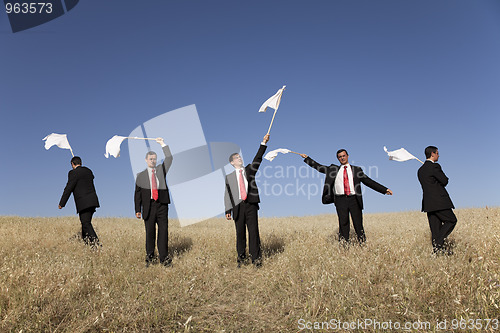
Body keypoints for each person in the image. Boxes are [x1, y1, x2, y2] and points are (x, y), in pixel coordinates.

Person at [300, 149, 392, 244]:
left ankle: (362, 245)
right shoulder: (333, 169)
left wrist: (384, 190)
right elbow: (319, 167)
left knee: (358, 224)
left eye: (343, 156)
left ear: (347, 156)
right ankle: (344, 247)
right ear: (338, 159)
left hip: (354, 200)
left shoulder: (357, 170)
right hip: (340, 200)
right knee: (343, 224)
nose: (342, 158)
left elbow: (369, 181)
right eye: (340, 157)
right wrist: (307, 158)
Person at [225, 134, 269, 267]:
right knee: (240, 234)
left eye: (240, 157)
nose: (240, 158)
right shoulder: (229, 177)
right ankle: (241, 259)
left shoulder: (249, 170)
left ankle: (256, 260)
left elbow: (258, 159)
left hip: (251, 205)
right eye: (237, 158)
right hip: (237, 207)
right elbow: (227, 194)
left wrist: (263, 143)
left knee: (253, 232)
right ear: (232, 162)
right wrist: (228, 210)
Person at [135, 137, 173, 267]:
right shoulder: (140, 176)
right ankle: (150, 259)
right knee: (150, 233)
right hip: (148, 207)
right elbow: (137, 194)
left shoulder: (161, 170)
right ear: (146, 160)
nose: (153, 160)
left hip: (162, 205)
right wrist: (137, 209)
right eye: (150, 158)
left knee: (163, 232)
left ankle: (164, 259)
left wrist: (163, 144)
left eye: (154, 158)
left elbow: (169, 158)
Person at [417, 146, 457, 254]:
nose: (438, 155)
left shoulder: (420, 170)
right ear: (433, 154)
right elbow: (444, 181)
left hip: (428, 204)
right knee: (452, 220)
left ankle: (438, 252)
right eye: (437, 153)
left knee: (435, 229)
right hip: (440, 202)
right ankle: (439, 243)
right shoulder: (435, 167)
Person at [58, 156, 100, 246]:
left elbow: (68, 188)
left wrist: (62, 203)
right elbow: (91, 177)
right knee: (84, 224)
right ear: (80, 163)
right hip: (93, 201)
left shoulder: (73, 173)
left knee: (86, 223)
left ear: (72, 164)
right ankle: (88, 246)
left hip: (83, 203)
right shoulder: (88, 171)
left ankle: (97, 246)